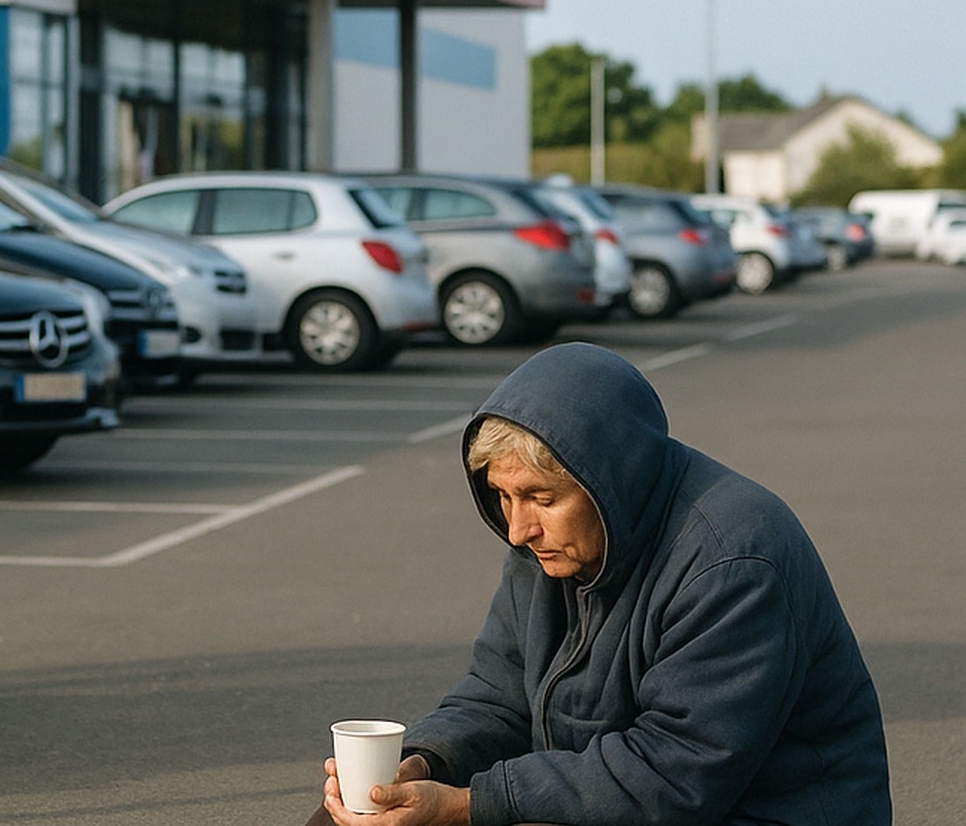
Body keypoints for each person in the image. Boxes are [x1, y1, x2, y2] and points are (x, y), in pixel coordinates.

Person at [309, 341, 890, 825]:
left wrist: (470, 803)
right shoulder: (548, 546)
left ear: (611, 481)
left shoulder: (733, 559)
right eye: (503, 496)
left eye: (541, 498)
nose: (518, 529)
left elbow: (675, 774)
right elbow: (496, 697)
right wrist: (422, 764)